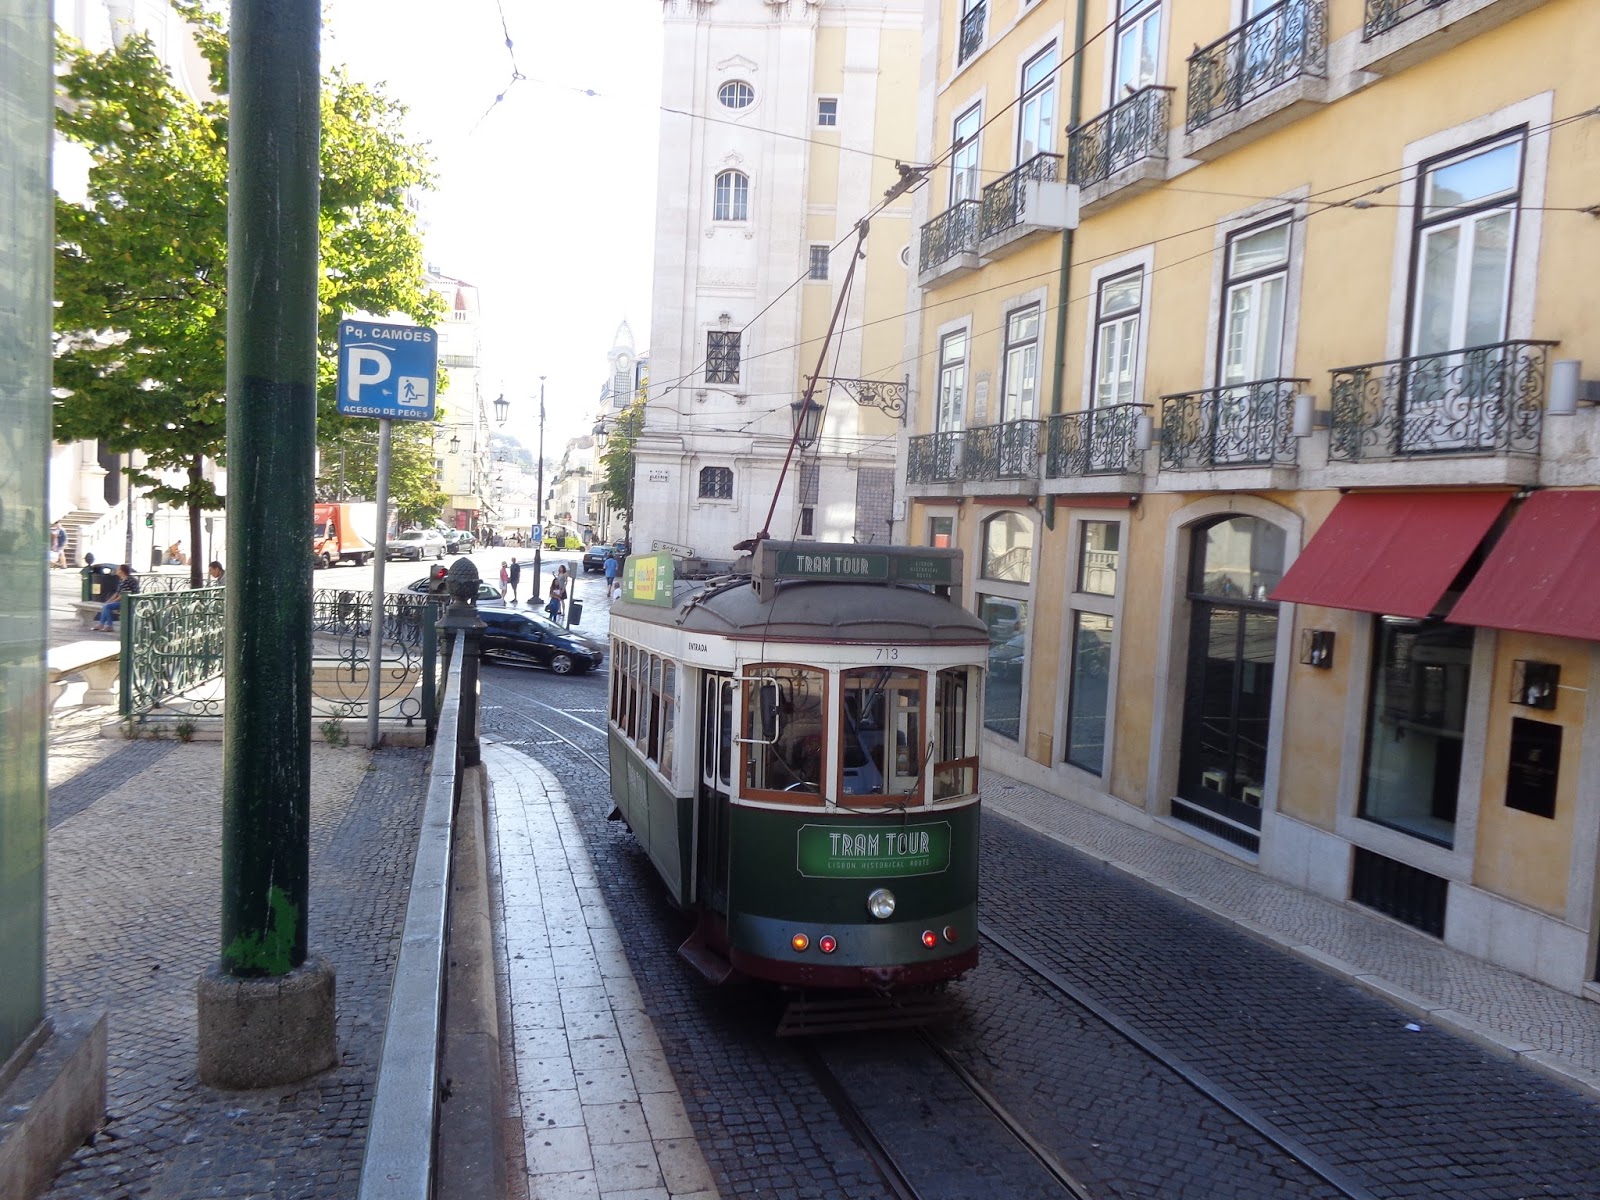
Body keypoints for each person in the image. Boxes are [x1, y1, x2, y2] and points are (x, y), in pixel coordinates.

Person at [93, 564, 139, 631]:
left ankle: (109, 626)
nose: (116, 571)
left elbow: (123, 595)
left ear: (122, 571)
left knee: (107, 607)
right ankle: (102, 624)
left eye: (118, 569)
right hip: (123, 600)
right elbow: (117, 593)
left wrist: (113, 601)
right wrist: (109, 601)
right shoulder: (122, 580)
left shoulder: (128, 580)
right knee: (106, 605)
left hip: (129, 601)